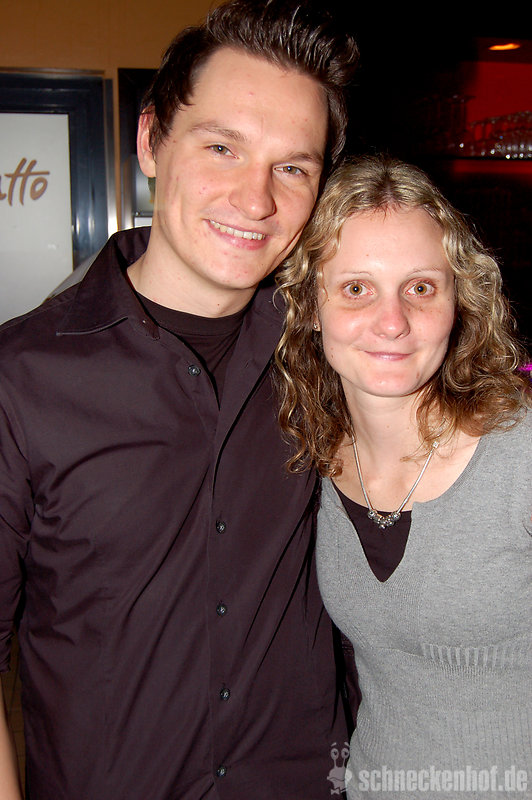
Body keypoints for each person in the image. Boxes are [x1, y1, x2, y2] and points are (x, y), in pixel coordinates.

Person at [0, 3, 359, 798]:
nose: (256, 199)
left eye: (293, 168)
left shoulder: (338, 353)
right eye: (222, 147)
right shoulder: (20, 376)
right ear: (150, 140)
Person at [275, 155, 531, 799]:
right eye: (356, 288)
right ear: (310, 305)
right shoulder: (310, 458)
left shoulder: (520, 454)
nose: (392, 322)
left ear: (459, 301)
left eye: (420, 287)